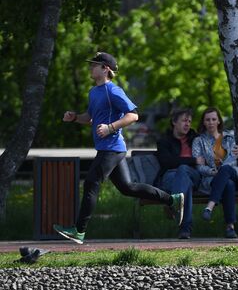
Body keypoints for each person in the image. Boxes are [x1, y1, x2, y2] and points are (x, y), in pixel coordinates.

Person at [53, 52, 184, 244]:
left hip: (112, 147)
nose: (90, 68)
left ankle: (79, 231)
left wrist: (110, 127)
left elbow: (133, 116)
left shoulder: (113, 90)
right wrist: (74, 117)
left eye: (94, 65)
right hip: (109, 148)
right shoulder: (93, 92)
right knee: (127, 187)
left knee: (91, 182)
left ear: (105, 69)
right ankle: (172, 199)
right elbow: (89, 118)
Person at [156, 108, 205, 239]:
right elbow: (167, 162)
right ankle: (185, 229)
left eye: (189, 121)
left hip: (193, 175)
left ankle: (173, 204)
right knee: (185, 183)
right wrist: (193, 160)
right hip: (170, 176)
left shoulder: (195, 138)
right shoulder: (164, 141)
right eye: (184, 120)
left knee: (183, 170)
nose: (187, 124)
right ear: (174, 122)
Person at [192, 107, 238, 238]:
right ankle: (230, 227)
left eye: (214, 119)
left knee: (226, 170)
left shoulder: (229, 138)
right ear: (203, 122)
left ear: (219, 121)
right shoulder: (198, 141)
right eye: (207, 120)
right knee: (228, 185)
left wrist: (220, 170)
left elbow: (233, 162)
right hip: (211, 179)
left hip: (231, 172)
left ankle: (210, 206)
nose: (211, 122)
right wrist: (211, 171)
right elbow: (199, 167)